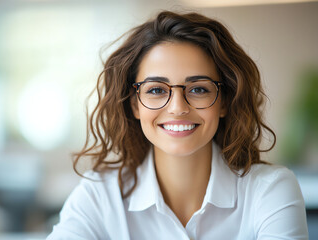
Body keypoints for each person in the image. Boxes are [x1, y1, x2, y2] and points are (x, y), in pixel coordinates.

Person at [47, 11, 308, 240]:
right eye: (157, 90)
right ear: (135, 105)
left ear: (225, 101)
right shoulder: (99, 195)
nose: (177, 107)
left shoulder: (270, 190)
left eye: (198, 89)